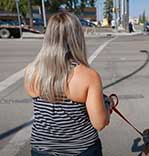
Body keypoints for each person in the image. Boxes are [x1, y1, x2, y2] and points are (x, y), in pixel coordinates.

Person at [24, 12, 112, 156]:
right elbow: (100, 123)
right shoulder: (88, 76)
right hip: (82, 149)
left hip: (41, 149)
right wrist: (107, 105)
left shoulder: (31, 71)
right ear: (77, 37)